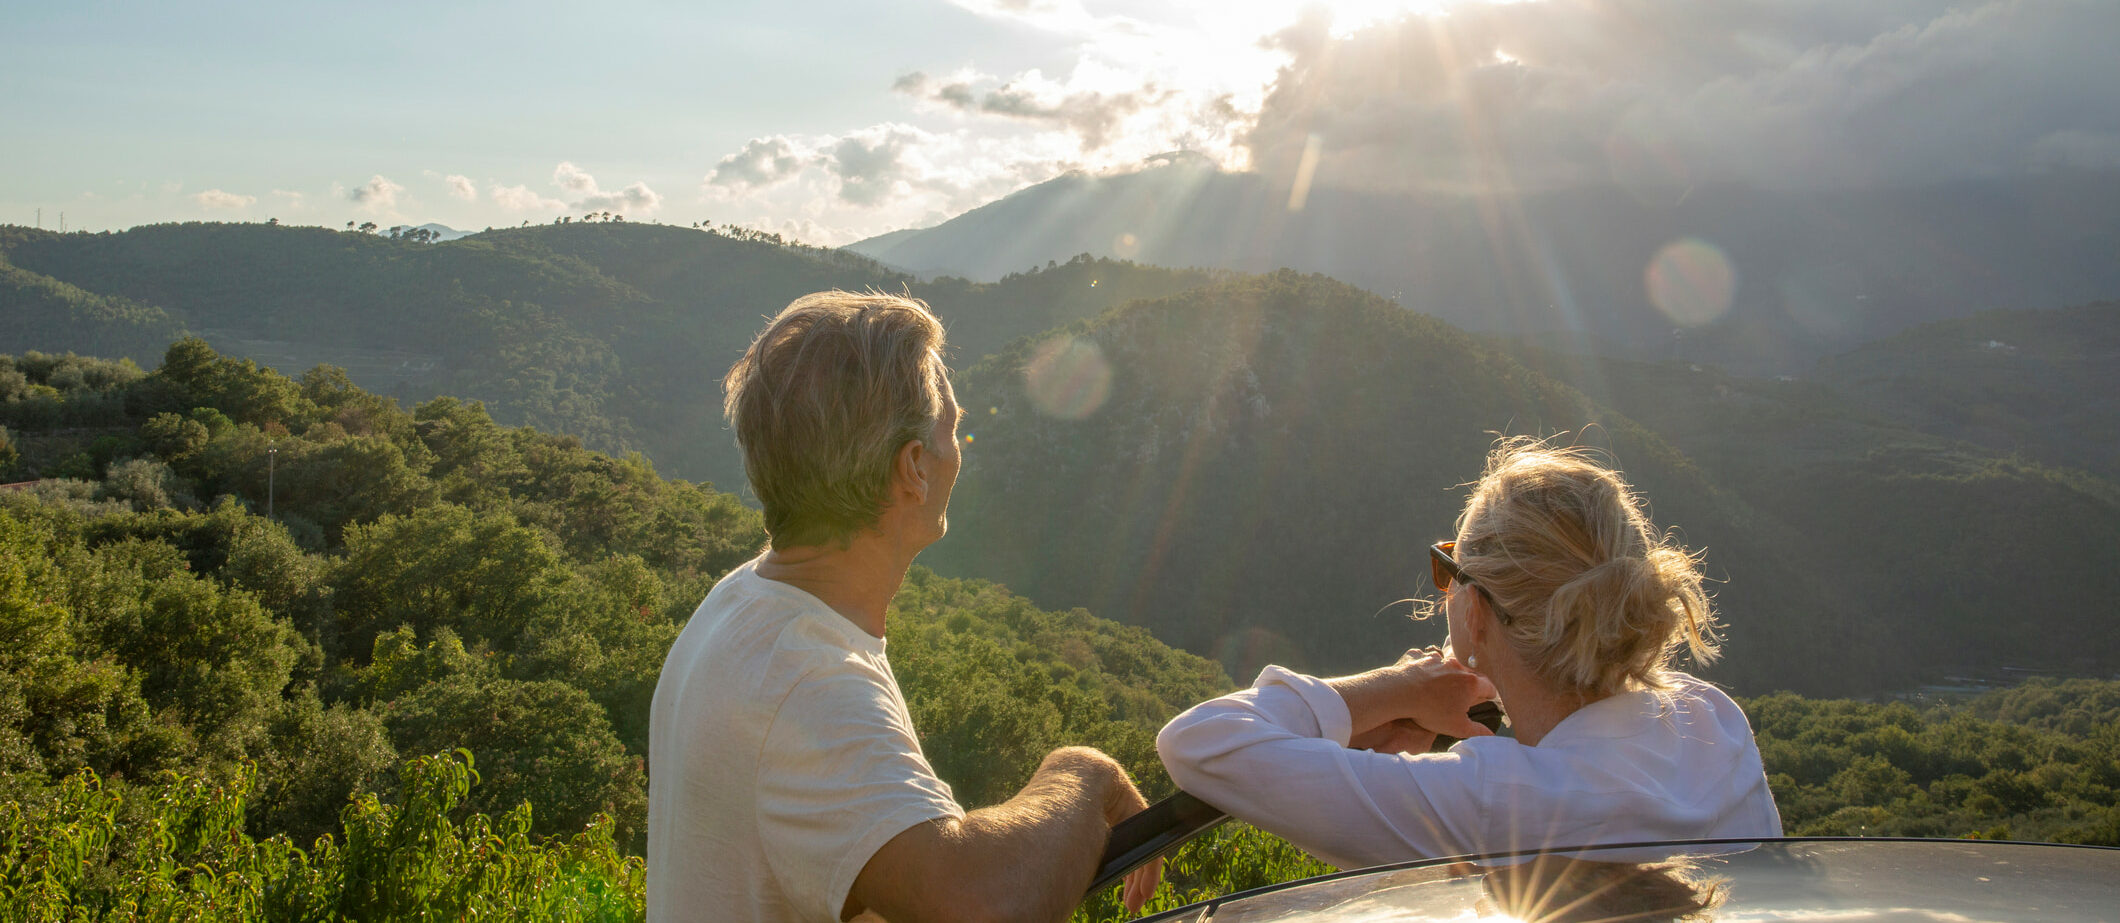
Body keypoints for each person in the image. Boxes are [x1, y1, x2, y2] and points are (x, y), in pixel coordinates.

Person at [649, 291, 1160, 922]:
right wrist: (1084, 774)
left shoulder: (742, 601)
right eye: (951, 429)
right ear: (913, 468)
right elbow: (979, 907)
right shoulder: (808, 682)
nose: (958, 451)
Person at [1157, 438, 1782, 870]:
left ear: (1476, 612)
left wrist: (1394, 688)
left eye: (1449, 567)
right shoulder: (1711, 720)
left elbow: (1200, 741)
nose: (1445, 586)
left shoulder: (1496, 801)